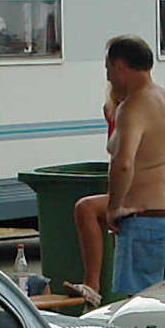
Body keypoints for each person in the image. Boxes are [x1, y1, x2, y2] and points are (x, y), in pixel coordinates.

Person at [102, 34, 165, 296]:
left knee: (135, 311)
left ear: (120, 66)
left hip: (143, 220)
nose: (108, 77)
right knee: (159, 306)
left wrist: (114, 208)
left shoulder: (133, 105)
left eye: (108, 69)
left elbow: (123, 163)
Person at [66, 87, 123, 306]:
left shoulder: (138, 110)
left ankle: (93, 286)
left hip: (135, 192)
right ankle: (96, 287)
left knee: (87, 208)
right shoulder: (114, 110)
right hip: (119, 189)